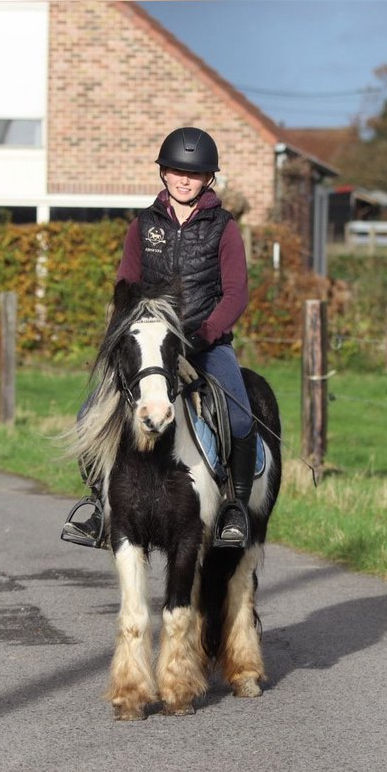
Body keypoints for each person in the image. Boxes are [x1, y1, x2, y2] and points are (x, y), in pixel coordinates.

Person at [61, 126, 256, 550]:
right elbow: (126, 284)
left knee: (240, 418)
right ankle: (100, 506)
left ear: (208, 179)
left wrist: (201, 336)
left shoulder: (225, 228)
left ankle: (234, 509)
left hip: (205, 342)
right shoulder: (143, 225)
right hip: (150, 345)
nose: (183, 180)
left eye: (193, 174)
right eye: (174, 171)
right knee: (87, 414)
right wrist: (130, 333)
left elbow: (236, 293)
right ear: (163, 173)